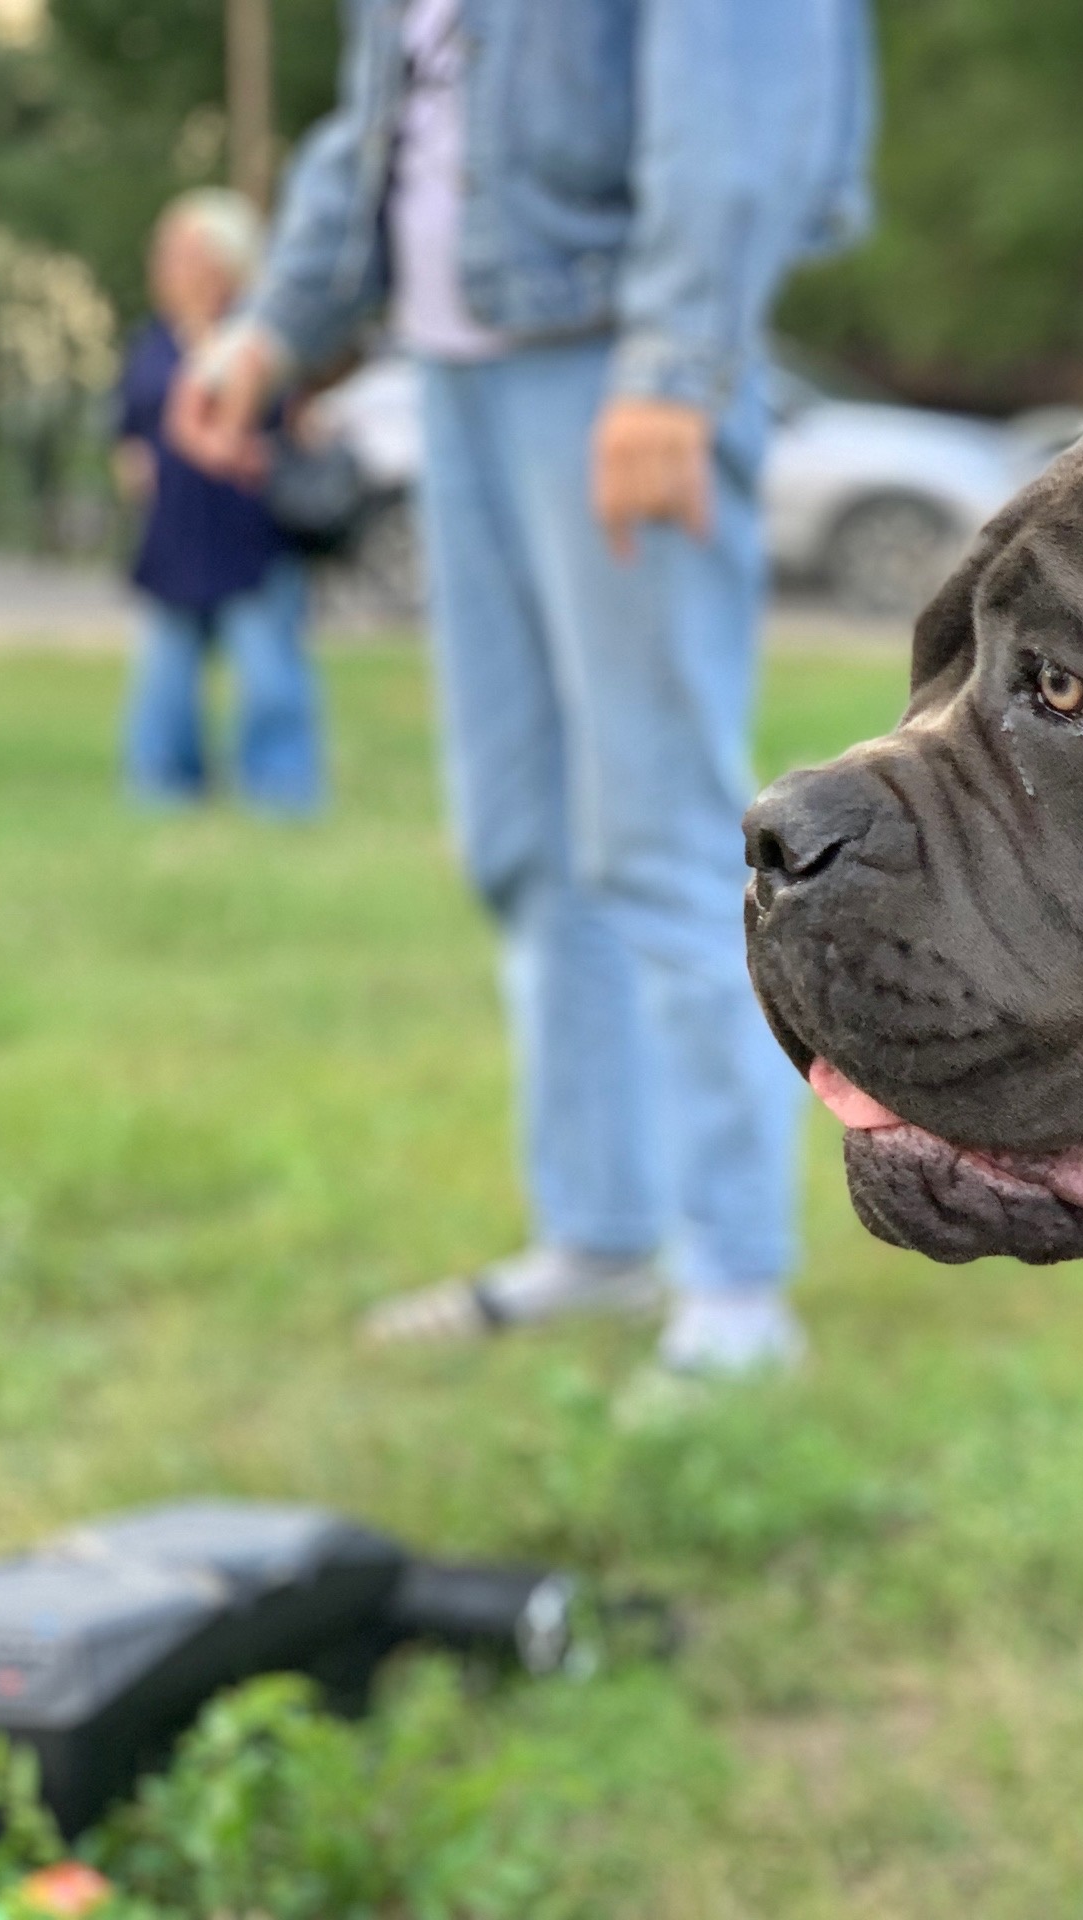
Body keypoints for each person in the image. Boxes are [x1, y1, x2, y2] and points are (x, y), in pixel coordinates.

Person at [169, 0, 874, 1378]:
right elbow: (383, 120)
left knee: (660, 838)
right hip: (459, 375)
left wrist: (674, 368)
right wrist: (271, 326)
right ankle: (601, 1240)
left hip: (616, 357)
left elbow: (737, 101)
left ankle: (735, 1289)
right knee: (522, 840)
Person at [115, 189, 323, 816]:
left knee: (267, 673)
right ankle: (162, 794)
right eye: (166, 252)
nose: (168, 264)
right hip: (175, 534)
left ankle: (282, 796)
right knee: (165, 682)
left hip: (248, 532)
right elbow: (129, 420)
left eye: (184, 251)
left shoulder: (259, 335)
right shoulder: (154, 341)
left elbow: (299, 419)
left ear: (225, 261)